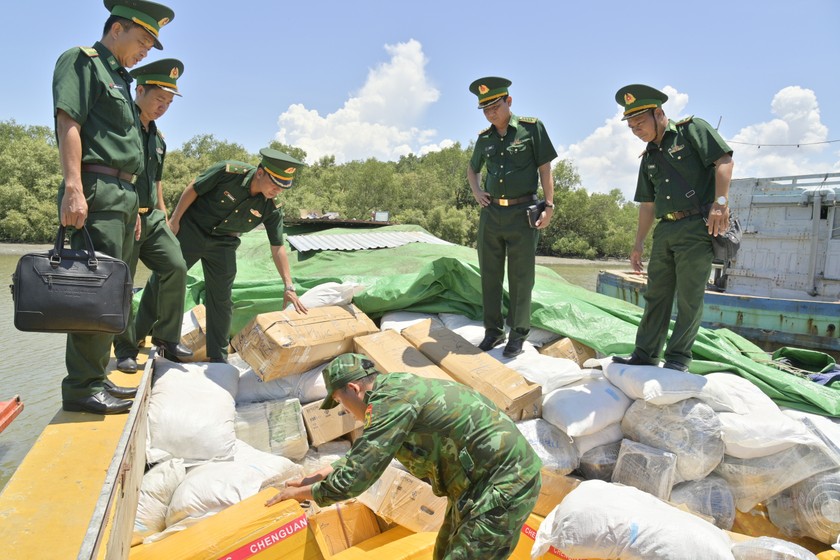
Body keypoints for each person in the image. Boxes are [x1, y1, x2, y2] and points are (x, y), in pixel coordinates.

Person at [265, 353, 541, 560]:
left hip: (503, 485)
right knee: (444, 551)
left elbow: (357, 478)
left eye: (339, 401)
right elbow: (369, 454)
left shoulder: (391, 404)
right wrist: (324, 472)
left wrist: (306, 493)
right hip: (477, 484)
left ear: (354, 389)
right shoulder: (393, 392)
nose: (344, 410)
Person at [54, 0, 174, 414]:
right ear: (117, 29)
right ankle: (81, 386)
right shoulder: (82, 62)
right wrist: (74, 187)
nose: (143, 52)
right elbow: (69, 122)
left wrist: (138, 209)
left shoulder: (119, 79)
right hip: (97, 189)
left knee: (113, 293)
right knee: (93, 290)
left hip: (123, 199)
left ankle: (95, 377)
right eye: (142, 41)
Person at [138, 148, 309, 363]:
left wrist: (289, 286)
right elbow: (194, 189)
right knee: (164, 279)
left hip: (224, 243)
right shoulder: (228, 172)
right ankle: (137, 334)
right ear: (260, 173)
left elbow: (278, 247)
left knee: (222, 298)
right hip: (192, 230)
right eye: (275, 183)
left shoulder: (272, 207)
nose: (278, 190)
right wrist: (175, 220)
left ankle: (217, 356)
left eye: (284, 187)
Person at [612, 84, 734, 372]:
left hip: (695, 225)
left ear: (659, 113)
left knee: (689, 297)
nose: (635, 130)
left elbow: (724, 160)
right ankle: (645, 354)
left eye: (640, 122)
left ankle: (678, 359)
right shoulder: (650, 156)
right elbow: (647, 204)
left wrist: (720, 203)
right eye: (630, 125)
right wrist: (638, 243)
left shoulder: (692, 130)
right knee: (657, 295)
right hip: (665, 230)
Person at [466, 76, 557, 358]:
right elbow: (472, 169)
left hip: (523, 213)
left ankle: (517, 335)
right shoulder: (484, 139)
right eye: (485, 109)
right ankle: (493, 332)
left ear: (509, 101)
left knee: (521, 278)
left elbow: (545, 168)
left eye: (495, 106)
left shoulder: (531, 129)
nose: (491, 113)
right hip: (492, 214)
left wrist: (550, 206)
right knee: (489, 276)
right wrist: (477, 191)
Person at [112, 58, 192, 373]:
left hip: (152, 218)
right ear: (139, 90)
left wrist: (165, 218)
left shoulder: (158, 139)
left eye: (169, 103)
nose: (163, 107)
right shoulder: (122, 125)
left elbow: (157, 182)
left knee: (176, 266)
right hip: (125, 215)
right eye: (159, 99)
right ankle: (126, 349)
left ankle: (166, 337)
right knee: (122, 282)